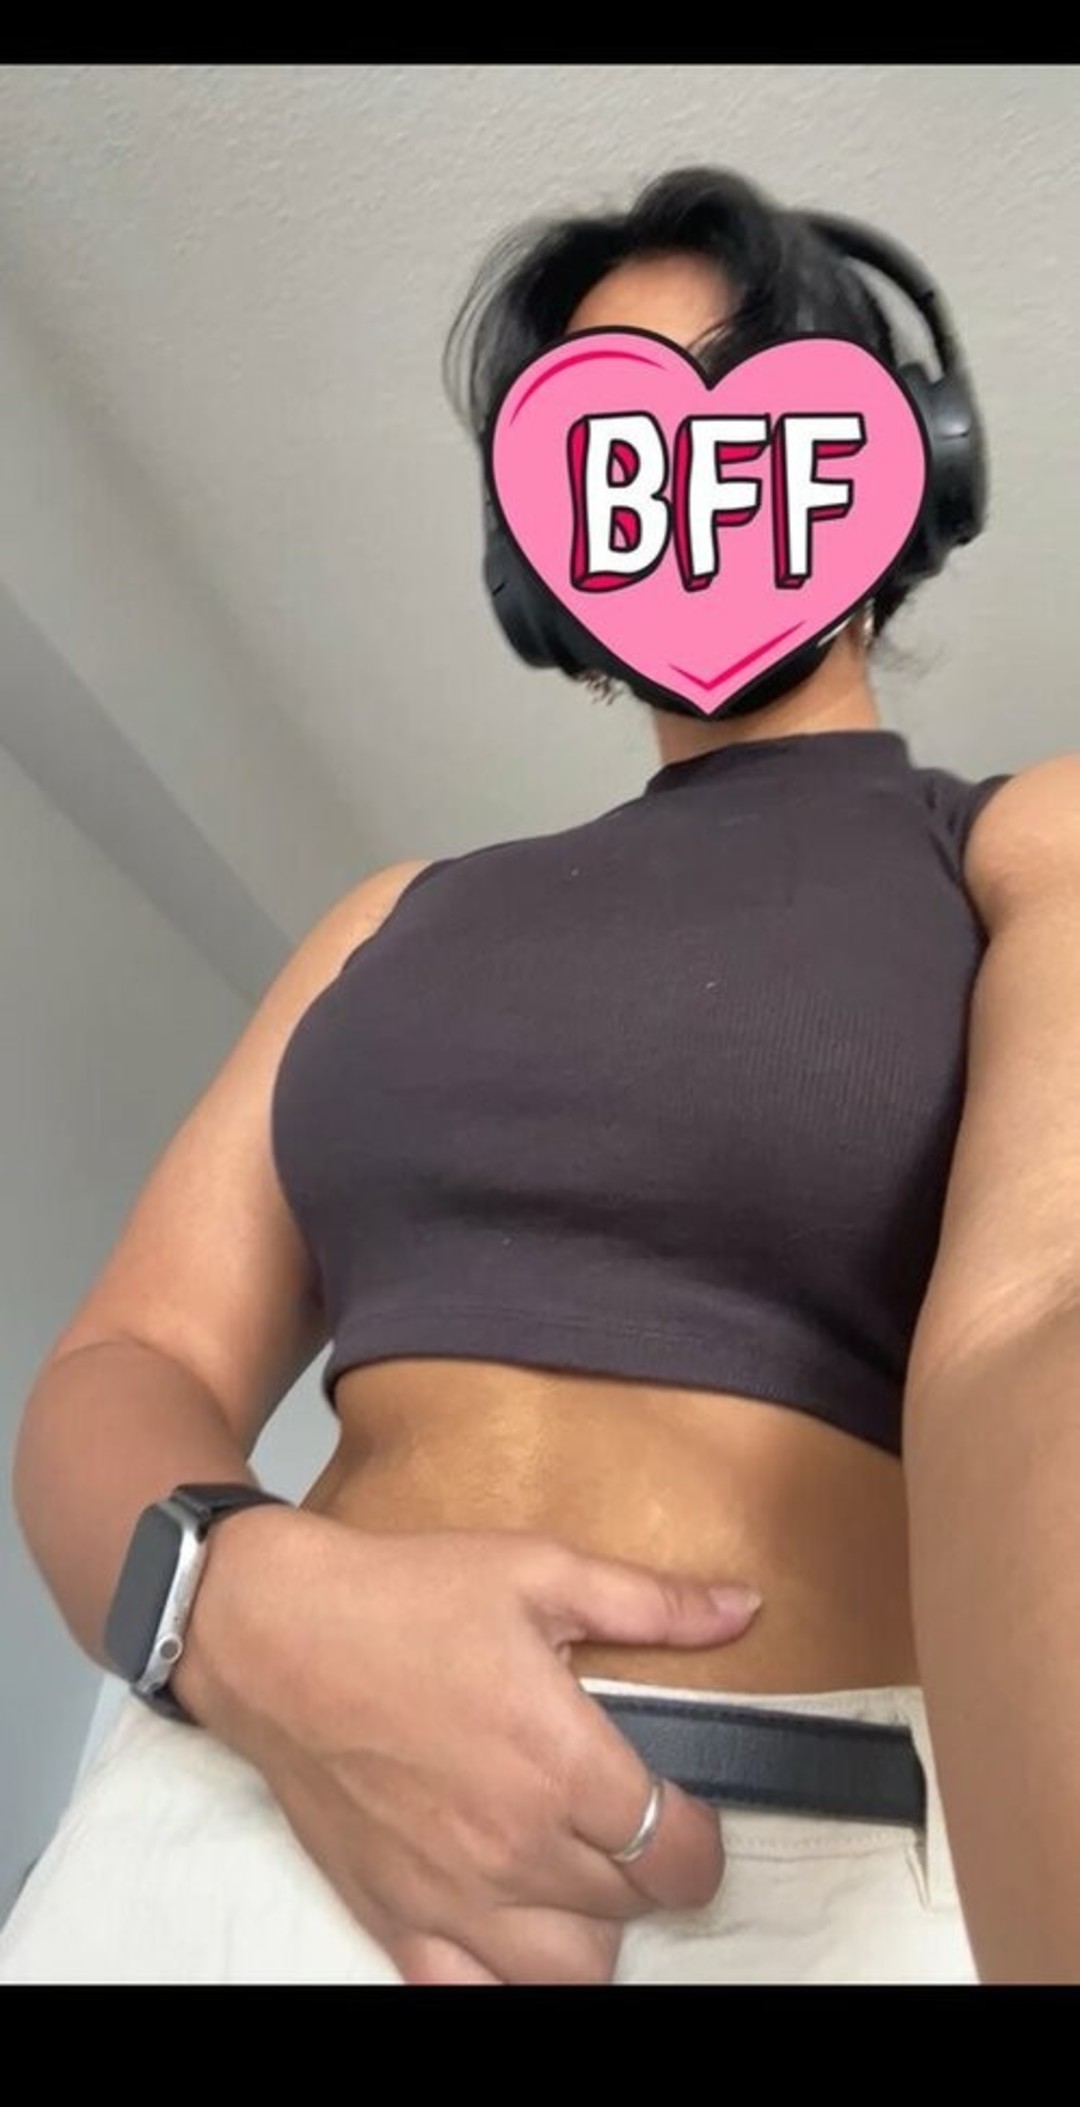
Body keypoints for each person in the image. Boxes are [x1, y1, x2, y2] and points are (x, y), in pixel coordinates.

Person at [3, 166, 1079, 1988]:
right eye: (614, 440)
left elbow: (1038, 1323)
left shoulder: (1023, 846)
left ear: (905, 461)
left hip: (767, 1872)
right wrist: (239, 1605)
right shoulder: (389, 915)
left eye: (754, 400)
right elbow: (129, 1366)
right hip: (214, 1810)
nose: (695, 475)